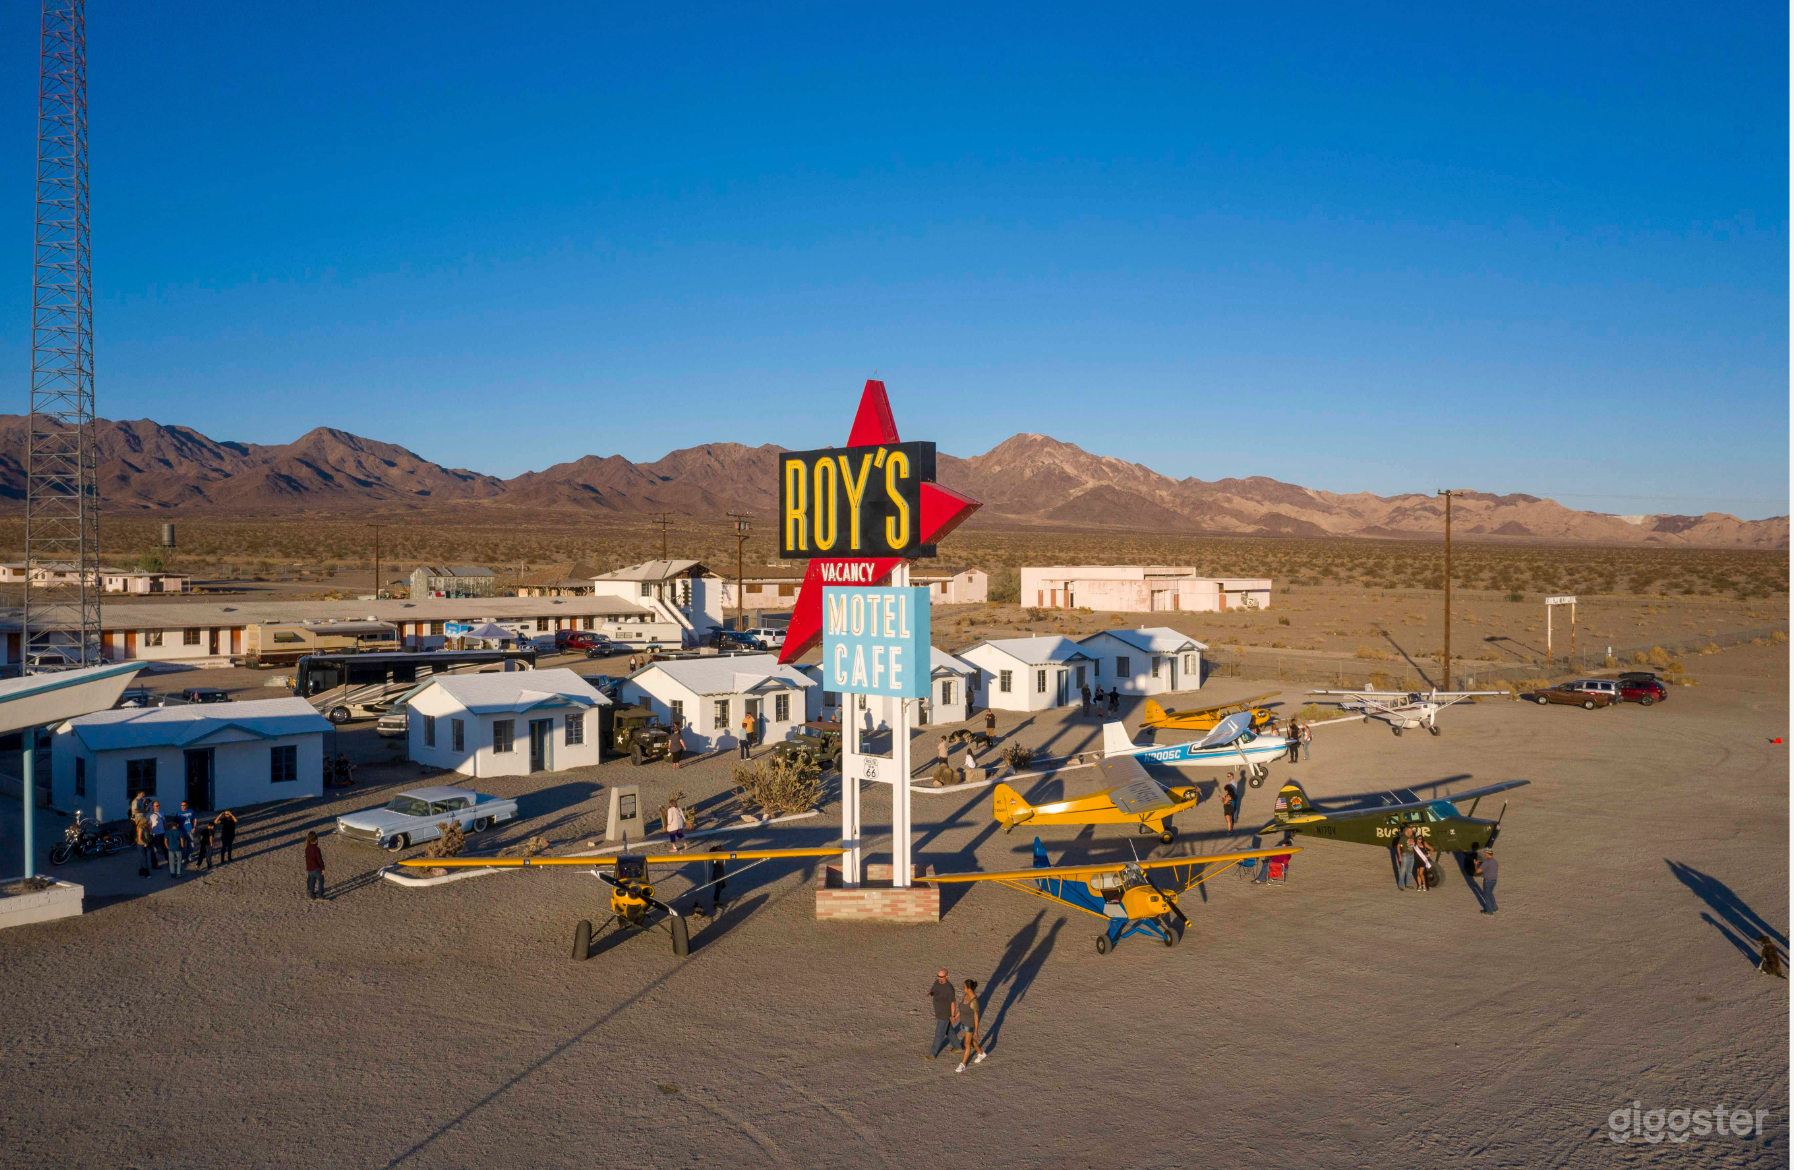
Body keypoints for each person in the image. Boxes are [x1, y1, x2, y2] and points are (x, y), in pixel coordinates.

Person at [954, 978, 989, 1072]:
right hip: (963, 1022)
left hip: (969, 1025)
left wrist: (976, 1030)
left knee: (967, 1044)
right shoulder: (966, 995)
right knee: (970, 1040)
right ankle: (981, 1053)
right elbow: (961, 1008)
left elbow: (976, 1017)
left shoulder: (974, 1001)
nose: (963, 988)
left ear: (969, 989)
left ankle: (963, 1064)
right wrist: (955, 1017)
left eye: (964, 987)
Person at [925, 969, 957, 1060]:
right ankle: (958, 1047)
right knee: (948, 1030)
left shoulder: (949, 988)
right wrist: (930, 993)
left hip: (945, 1013)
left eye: (941, 977)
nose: (939, 978)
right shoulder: (937, 982)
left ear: (946, 976)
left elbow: (953, 1003)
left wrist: (953, 1015)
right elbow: (934, 990)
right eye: (938, 976)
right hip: (939, 1012)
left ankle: (932, 1054)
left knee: (939, 1033)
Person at [304, 830, 326, 900]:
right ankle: (320, 895)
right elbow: (320, 860)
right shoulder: (316, 849)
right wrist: (323, 868)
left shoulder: (307, 848)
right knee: (321, 881)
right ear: (316, 840)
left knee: (312, 882)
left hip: (310, 869)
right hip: (316, 868)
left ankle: (312, 895)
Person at [1478, 844, 1499, 913]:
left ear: (1487, 854)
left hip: (1488, 881)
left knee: (1486, 895)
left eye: (1485, 853)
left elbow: (1478, 871)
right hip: (1494, 880)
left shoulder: (1486, 862)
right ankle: (1495, 907)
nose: (1485, 855)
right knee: (1490, 893)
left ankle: (1489, 911)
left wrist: (1476, 864)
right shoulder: (1495, 861)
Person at [148, 802, 168, 869]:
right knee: (153, 850)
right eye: (157, 806)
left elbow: (164, 822)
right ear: (153, 806)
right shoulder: (149, 815)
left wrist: (166, 831)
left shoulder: (161, 812)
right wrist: (150, 834)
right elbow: (149, 825)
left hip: (162, 833)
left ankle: (169, 860)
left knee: (165, 847)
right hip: (155, 834)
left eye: (159, 805)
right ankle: (155, 864)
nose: (158, 807)